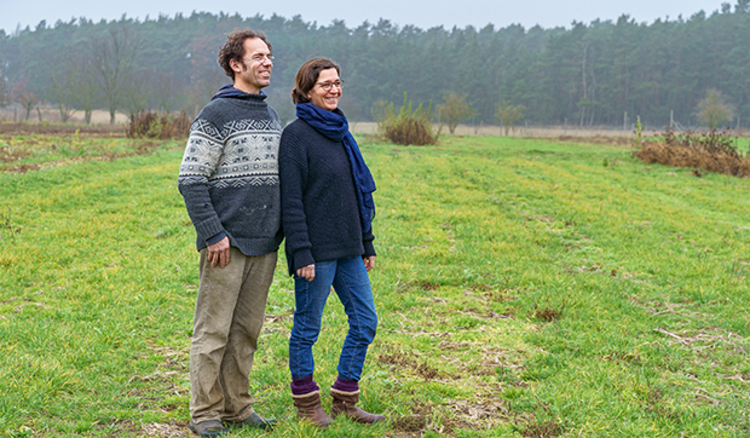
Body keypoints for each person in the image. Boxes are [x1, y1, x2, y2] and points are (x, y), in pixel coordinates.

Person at [177, 28, 282, 437]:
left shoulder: (270, 114)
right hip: (226, 244)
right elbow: (191, 179)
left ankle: (238, 406)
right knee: (213, 331)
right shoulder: (215, 115)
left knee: (246, 332)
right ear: (236, 65)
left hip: (264, 242)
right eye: (258, 56)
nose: (268, 62)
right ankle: (205, 413)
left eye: (269, 55)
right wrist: (213, 233)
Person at [279, 57, 384, 428]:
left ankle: (344, 398)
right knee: (308, 327)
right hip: (316, 253)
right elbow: (291, 201)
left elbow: (354, 192)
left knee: (365, 321)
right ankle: (307, 404)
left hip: (349, 248)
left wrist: (366, 242)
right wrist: (301, 252)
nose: (334, 89)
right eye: (325, 84)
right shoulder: (295, 136)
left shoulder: (341, 132)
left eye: (338, 83)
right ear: (307, 91)